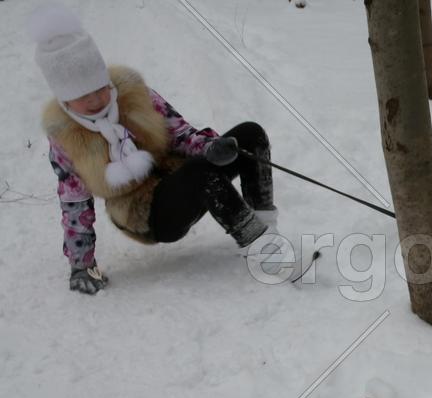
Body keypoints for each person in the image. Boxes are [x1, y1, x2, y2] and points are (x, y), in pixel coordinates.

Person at [29, 5, 289, 294]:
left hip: (181, 179)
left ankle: (265, 225)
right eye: (82, 96)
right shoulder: (66, 138)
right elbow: (75, 205)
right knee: (201, 173)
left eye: (99, 88)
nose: (95, 100)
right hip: (147, 216)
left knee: (249, 134)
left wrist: (211, 147)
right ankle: (265, 251)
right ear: (65, 99)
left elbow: (180, 134)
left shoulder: (135, 94)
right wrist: (82, 265)